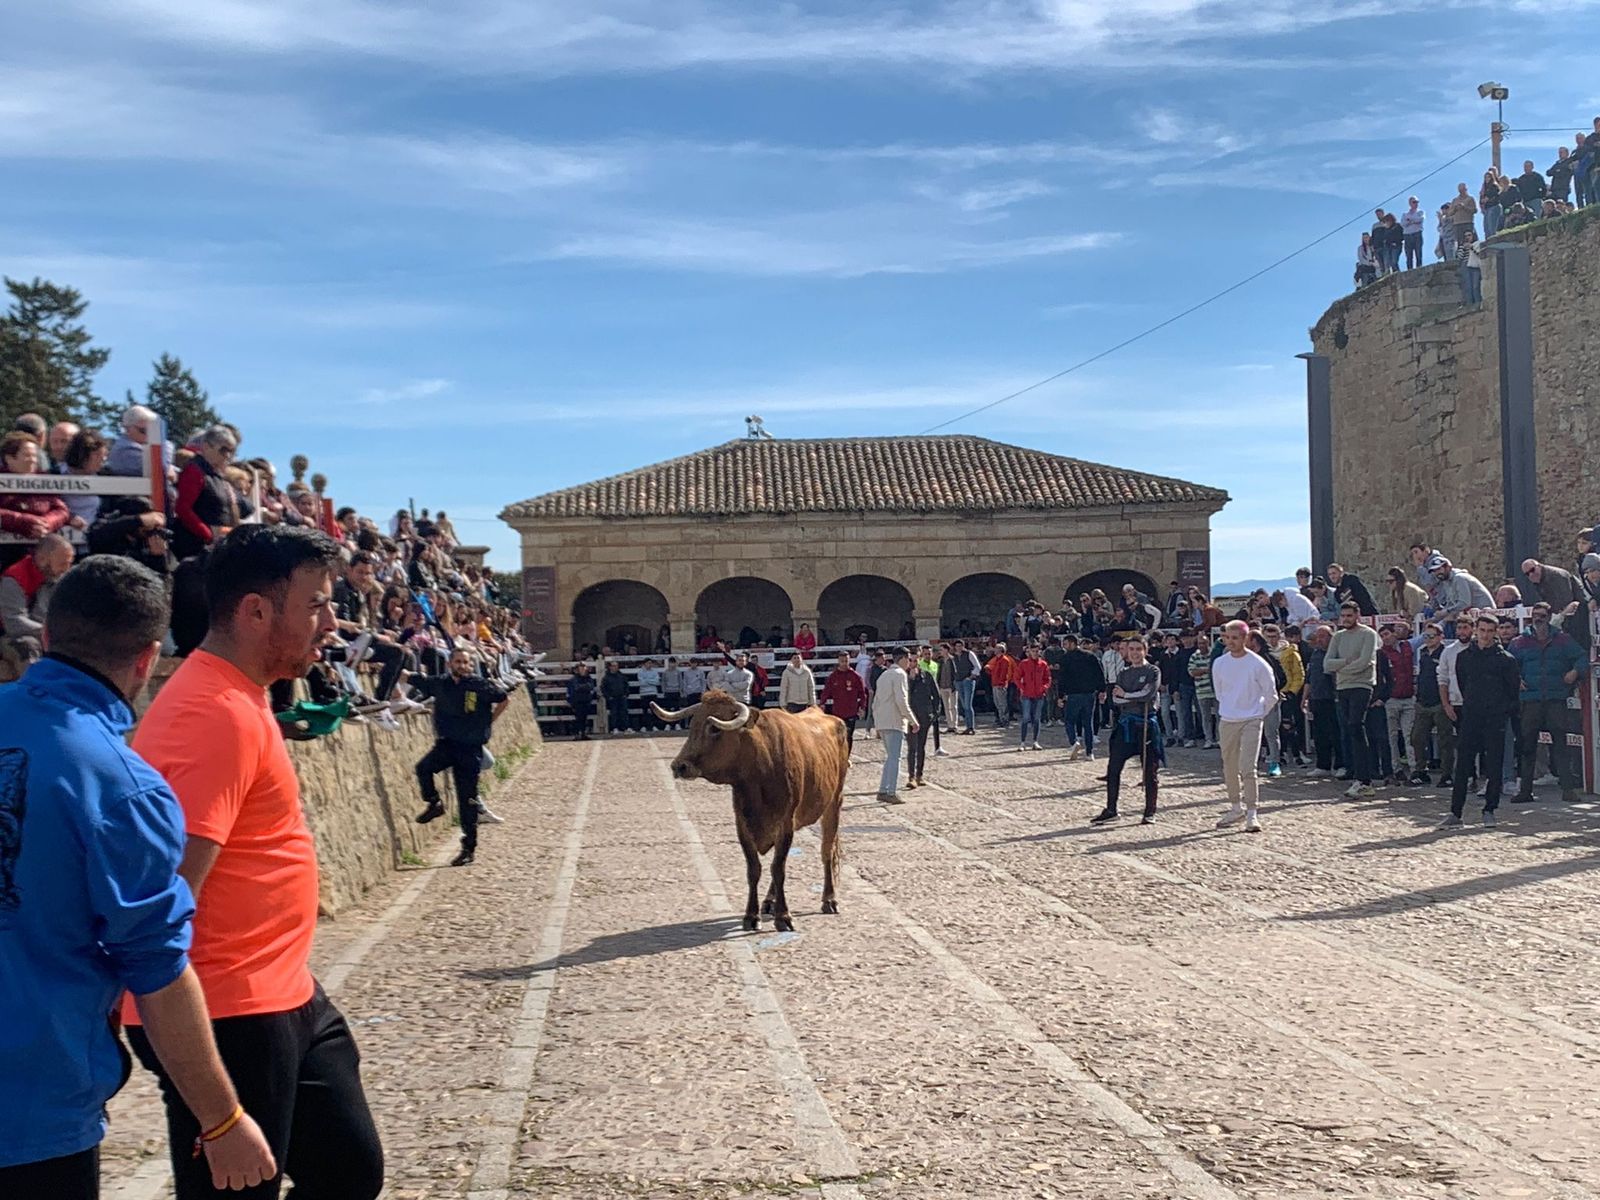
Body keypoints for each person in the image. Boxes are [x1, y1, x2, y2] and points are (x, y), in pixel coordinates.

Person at [0, 557, 278, 1198]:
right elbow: (158, 969)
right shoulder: (122, 788)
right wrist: (223, 1119)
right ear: (149, 659)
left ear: (47, 636)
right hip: (31, 1108)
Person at [121, 525, 384, 1199]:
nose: (333, 622)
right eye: (318, 604)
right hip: (226, 1010)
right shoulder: (213, 716)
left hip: (280, 989)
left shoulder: (243, 692)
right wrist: (218, 1110)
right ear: (255, 612)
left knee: (348, 1169)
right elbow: (163, 905)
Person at [412, 646, 510, 866]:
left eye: (466, 662)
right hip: (447, 745)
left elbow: (503, 699)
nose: (463, 666)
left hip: (470, 749)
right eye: (458, 662)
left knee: (467, 800)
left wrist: (488, 722)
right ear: (450, 664)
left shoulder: (480, 685)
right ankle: (434, 803)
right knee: (423, 768)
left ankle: (468, 848)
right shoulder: (441, 683)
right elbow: (414, 679)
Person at [1439, 615, 1521, 828]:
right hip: (1471, 716)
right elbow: (1464, 683)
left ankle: (1489, 809)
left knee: (1494, 765)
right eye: (1482, 630)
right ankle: (1455, 812)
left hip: (1495, 718)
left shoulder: (1506, 660)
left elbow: (1512, 693)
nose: (1485, 635)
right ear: (1476, 630)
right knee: (1463, 764)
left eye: (1489, 630)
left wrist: (1501, 712)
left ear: (1495, 632)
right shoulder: (1464, 657)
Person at [1508, 603, 1587, 805]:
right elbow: (1507, 664)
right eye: (1535, 615)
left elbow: (1581, 657)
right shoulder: (1520, 642)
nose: (1538, 619)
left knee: (1561, 745)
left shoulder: (1562, 639)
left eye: (1542, 615)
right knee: (1527, 746)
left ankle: (1568, 789)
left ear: (1549, 616)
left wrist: (1575, 672)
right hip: (1530, 700)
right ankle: (1525, 790)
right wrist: (1515, 678)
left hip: (1555, 699)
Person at [1211, 621, 1277, 834]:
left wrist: (1257, 714)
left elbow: (1271, 694)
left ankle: (1252, 813)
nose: (1231, 642)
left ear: (1245, 638)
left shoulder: (1258, 664)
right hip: (1228, 719)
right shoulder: (1219, 663)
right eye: (1227, 638)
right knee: (1229, 766)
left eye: (1235, 638)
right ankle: (1235, 807)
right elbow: (1220, 691)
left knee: (1248, 767)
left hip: (1251, 719)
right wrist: (1231, 708)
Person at [1089, 636, 1162, 826]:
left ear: (1145, 650)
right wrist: (1132, 697)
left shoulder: (1153, 671)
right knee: (1113, 768)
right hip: (1125, 725)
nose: (1135, 653)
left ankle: (1149, 811)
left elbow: (1148, 695)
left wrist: (1128, 695)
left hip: (1146, 725)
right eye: (1132, 649)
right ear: (1127, 652)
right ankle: (1111, 809)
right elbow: (1115, 700)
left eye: (1139, 649)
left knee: (1150, 772)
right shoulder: (1123, 673)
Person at [1323, 601, 1378, 799]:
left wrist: (1341, 666)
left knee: (1356, 725)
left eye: (1349, 615)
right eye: (1343, 616)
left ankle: (1365, 779)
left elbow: (1364, 662)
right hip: (1343, 687)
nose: (1346, 619)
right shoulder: (1338, 637)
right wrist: (1346, 662)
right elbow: (1327, 664)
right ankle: (1357, 774)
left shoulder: (1368, 634)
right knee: (1349, 730)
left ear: (1357, 615)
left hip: (1362, 686)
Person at [1, 532, 73, 665]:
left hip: (46, 633)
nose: (66, 569)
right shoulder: (14, 578)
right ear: (42, 559)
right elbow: (14, 623)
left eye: (69, 564)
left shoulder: (59, 577)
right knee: (28, 646)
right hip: (11, 636)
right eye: (63, 563)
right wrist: (52, 630)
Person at [171, 426, 241, 560]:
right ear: (207, 446)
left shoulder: (215, 475)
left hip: (215, 545)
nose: (227, 456)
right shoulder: (195, 470)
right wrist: (208, 534)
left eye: (231, 451)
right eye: (223, 450)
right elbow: (183, 508)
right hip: (195, 546)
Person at [1410, 623, 1454, 785]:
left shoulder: (1446, 653)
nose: (1428, 639)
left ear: (1441, 637)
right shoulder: (1422, 652)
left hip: (1440, 702)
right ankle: (1421, 771)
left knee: (1445, 740)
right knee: (1417, 738)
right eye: (1425, 636)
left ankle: (1447, 774)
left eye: (1431, 636)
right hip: (1423, 702)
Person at [872, 648, 917, 804]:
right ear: (903, 659)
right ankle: (891, 791)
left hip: (883, 721)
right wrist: (912, 720)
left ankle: (883, 789)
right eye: (908, 659)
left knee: (890, 758)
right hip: (894, 721)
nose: (909, 662)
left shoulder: (883, 675)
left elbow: (876, 702)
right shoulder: (899, 675)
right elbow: (901, 700)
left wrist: (877, 724)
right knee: (895, 758)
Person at [1377, 624, 1416, 783]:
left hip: (1408, 698)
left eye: (1387, 634)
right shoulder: (1381, 654)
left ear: (1394, 634)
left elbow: (1425, 636)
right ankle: (1396, 769)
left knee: (1410, 736)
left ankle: (1415, 770)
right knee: (1391, 737)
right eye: (1382, 636)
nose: (1385, 638)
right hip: (1391, 699)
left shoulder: (1407, 646)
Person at [1058, 632, 1105, 761]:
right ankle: (1090, 753)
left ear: (1073, 643)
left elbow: (1062, 678)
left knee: (1069, 721)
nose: (1065, 646)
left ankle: (1074, 742)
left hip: (1073, 694)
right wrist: (1102, 689)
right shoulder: (1090, 656)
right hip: (1089, 694)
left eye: (1066, 644)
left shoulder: (1066, 658)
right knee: (1088, 723)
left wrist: (1060, 695)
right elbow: (1099, 673)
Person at [1300, 626, 1338, 774]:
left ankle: (1340, 765)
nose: (1319, 640)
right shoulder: (1315, 654)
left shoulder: (1334, 654)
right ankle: (1322, 766)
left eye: (1323, 636)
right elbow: (1309, 678)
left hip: (1331, 699)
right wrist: (1304, 698)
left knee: (1335, 733)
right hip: (1317, 699)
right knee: (1319, 734)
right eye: (1318, 636)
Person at [905, 656, 942, 789]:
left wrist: (935, 712)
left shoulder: (927, 676)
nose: (914, 664)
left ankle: (919, 775)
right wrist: (911, 679)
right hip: (910, 716)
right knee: (912, 747)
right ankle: (911, 776)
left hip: (925, 715)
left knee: (921, 746)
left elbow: (936, 695)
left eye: (916, 661)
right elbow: (905, 695)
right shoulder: (904, 677)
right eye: (911, 661)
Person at [820, 651, 868, 750]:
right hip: (837, 712)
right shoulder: (833, 677)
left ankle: (846, 758)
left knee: (849, 736)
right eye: (842, 661)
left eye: (846, 661)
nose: (844, 663)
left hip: (851, 712)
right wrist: (822, 703)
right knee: (837, 737)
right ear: (838, 661)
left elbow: (863, 693)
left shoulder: (855, 676)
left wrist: (862, 707)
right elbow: (826, 691)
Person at [1014, 643, 1051, 751]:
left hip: (1039, 695)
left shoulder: (1043, 664)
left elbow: (1047, 678)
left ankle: (1035, 741)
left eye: (1036, 651)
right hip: (1026, 695)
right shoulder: (1023, 664)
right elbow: (1017, 677)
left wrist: (1044, 688)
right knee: (1025, 718)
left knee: (1036, 719)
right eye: (1033, 651)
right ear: (1029, 652)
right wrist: (1022, 688)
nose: (1035, 653)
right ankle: (1023, 742)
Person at [1428, 556, 1494, 616]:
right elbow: (1450, 604)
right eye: (1434, 571)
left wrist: (1446, 612)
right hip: (1469, 615)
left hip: (1485, 614)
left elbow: (1464, 603)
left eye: (1439, 569)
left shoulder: (1460, 578)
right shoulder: (1446, 582)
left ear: (1448, 567)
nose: (1437, 573)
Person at [1187, 631, 1219, 749]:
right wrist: (1207, 670)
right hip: (1202, 691)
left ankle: (1219, 739)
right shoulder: (1194, 656)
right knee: (1206, 718)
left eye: (1204, 643)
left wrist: (1202, 670)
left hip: (1216, 691)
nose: (1202, 645)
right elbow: (1192, 672)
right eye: (1200, 643)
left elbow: (1218, 670)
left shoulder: (1214, 655)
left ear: (1208, 643)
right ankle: (1208, 740)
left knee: (1220, 716)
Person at [949, 638, 980, 734]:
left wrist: (970, 677)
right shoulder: (953, 657)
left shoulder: (969, 654)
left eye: (960, 646)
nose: (959, 648)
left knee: (968, 704)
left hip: (967, 681)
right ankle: (968, 726)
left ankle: (971, 727)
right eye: (957, 646)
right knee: (963, 704)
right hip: (958, 681)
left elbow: (977, 666)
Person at [985, 642, 1017, 728]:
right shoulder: (997, 659)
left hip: (1000, 684)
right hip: (995, 683)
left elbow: (1004, 673)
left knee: (1002, 703)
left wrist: (1001, 683)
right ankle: (1001, 718)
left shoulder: (1004, 660)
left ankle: (1005, 720)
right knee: (997, 703)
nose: (994, 650)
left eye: (996, 648)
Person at [565, 662, 596, 739]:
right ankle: (577, 734)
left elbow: (591, 687)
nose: (583, 670)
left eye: (583, 668)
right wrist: (585, 687)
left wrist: (583, 687)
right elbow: (576, 688)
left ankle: (583, 733)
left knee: (584, 718)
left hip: (586, 700)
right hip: (577, 702)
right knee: (578, 718)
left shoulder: (589, 678)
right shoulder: (573, 679)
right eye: (581, 669)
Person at [600, 659, 630, 735]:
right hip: (612, 698)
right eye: (613, 666)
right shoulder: (606, 678)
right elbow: (603, 688)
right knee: (614, 714)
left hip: (622, 697)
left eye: (616, 666)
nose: (615, 667)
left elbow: (626, 685)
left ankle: (625, 728)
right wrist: (608, 697)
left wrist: (626, 694)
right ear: (610, 667)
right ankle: (614, 728)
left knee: (624, 713)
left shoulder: (621, 676)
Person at [1400, 195, 1427, 269]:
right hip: (1407, 235)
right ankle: (1409, 270)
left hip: (1417, 234)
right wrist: (1413, 221)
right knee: (1409, 255)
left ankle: (1419, 268)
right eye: (1414, 202)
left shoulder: (1421, 212)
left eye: (1417, 202)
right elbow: (1403, 224)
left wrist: (1409, 220)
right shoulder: (1405, 214)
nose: (1416, 203)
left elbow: (1420, 219)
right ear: (1410, 203)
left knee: (1418, 253)